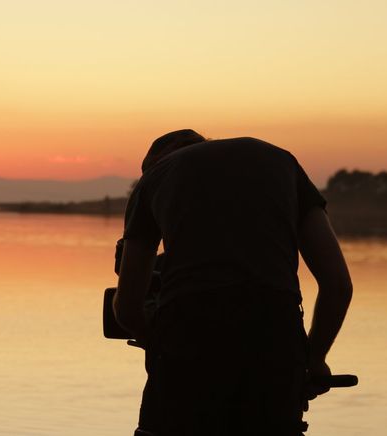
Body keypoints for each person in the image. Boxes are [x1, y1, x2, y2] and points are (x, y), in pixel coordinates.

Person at [113, 130, 353, 435]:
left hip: (187, 343)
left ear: (153, 164)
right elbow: (338, 286)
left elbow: (128, 310)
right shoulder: (281, 162)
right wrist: (315, 358)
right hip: (276, 342)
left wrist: (158, 342)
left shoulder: (155, 177)